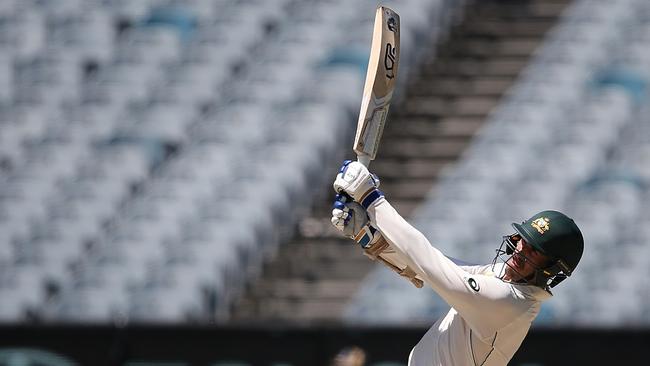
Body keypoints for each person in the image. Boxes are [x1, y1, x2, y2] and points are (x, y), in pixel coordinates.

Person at [331, 160, 584, 366]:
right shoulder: (503, 277)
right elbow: (426, 268)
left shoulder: (512, 303)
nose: (521, 250)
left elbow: (431, 266)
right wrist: (370, 236)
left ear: (551, 268)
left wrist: (371, 198)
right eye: (524, 240)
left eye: (534, 250)